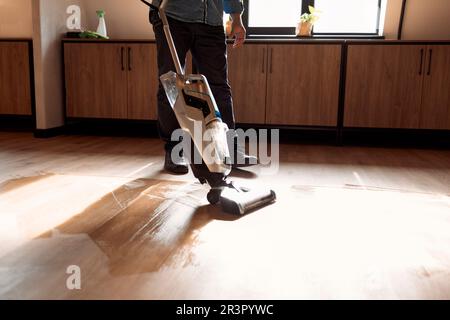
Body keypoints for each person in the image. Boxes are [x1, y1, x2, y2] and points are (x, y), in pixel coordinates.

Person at [146, 0, 257, 174]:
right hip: (172, 16)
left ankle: (228, 149)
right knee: (171, 85)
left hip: (211, 21)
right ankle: (175, 150)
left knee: (218, 87)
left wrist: (236, 18)